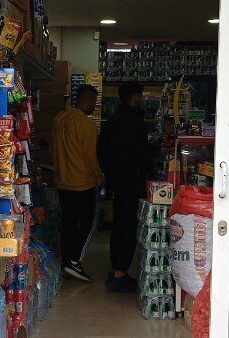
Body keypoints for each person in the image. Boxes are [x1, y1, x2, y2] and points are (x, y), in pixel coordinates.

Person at [97, 81, 154, 293]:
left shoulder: (112, 121)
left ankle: (116, 268)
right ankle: (120, 273)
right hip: (132, 181)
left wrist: (110, 174)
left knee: (119, 224)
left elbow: (101, 150)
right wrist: (146, 169)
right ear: (136, 97)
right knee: (129, 226)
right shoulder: (134, 122)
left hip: (118, 182)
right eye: (140, 96)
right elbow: (141, 153)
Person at [51, 84, 102, 282]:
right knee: (89, 222)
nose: (94, 107)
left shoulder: (59, 120)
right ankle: (74, 261)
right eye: (94, 103)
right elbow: (91, 156)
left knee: (68, 222)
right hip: (83, 182)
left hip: (62, 181)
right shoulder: (85, 124)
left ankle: (66, 262)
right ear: (87, 101)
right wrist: (98, 177)